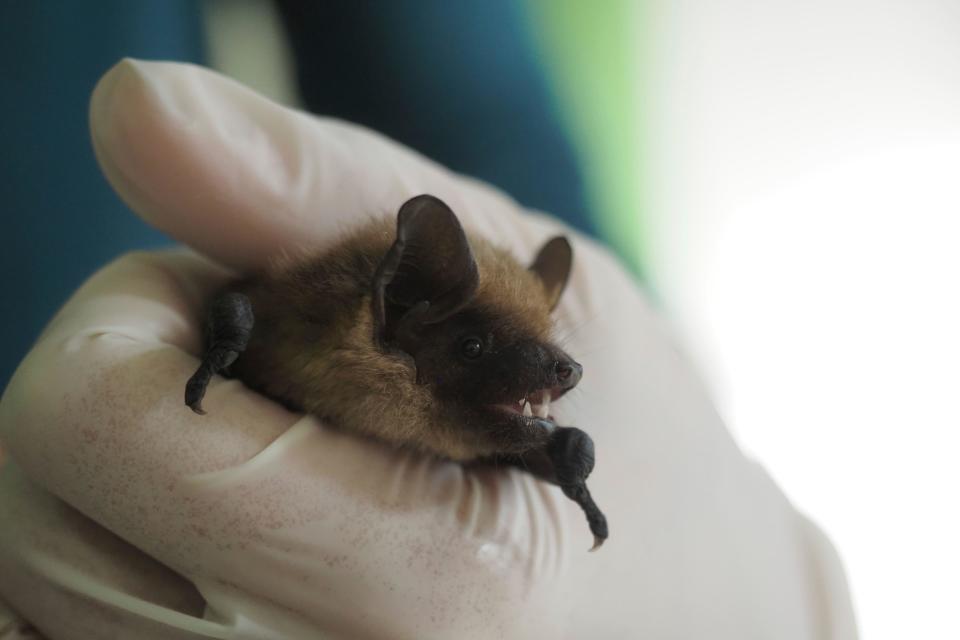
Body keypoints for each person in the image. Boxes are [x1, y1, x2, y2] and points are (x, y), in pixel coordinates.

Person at [0, 60, 857, 639]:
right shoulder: (312, 330)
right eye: (478, 344)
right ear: (394, 318)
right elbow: (240, 304)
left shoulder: (508, 413)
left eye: (553, 359)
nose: (560, 377)